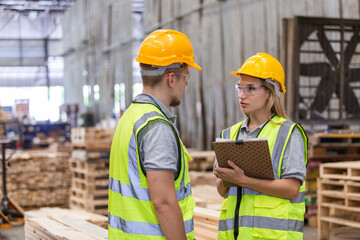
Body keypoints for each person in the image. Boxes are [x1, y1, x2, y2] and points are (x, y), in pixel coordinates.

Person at [108, 29, 202, 240]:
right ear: (171, 79)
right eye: (186, 77)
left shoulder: (130, 117)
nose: (186, 83)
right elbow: (164, 203)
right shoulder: (156, 127)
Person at [213, 52, 308, 240]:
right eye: (239, 88)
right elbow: (222, 190)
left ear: (269, 92)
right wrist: (225, 178)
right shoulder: (229, 134)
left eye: (250, 89)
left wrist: (243, 180)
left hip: (271, 235)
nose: (242, 95)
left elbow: (292, 189)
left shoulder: (288, 133)